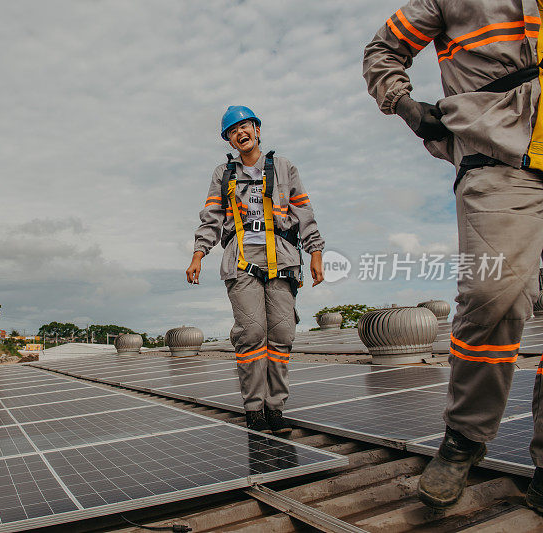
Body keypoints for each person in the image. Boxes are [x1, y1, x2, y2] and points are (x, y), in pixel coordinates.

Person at [363, 0, 543, 511]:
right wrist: (405, 105)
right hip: (498, 149)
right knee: (494, 295)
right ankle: (465, 435)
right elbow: (382, 49)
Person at [186, 106, 325, 435]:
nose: (240, 133)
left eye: (245, 126)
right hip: (241, 257)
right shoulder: (224, 173)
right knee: (251, 334)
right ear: (229, 140)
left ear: (257, 130)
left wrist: (315, 250)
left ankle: (275, 407)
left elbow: (303, 210)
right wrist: (198, 254)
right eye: (233, 131)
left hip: (282, 255)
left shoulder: (284, 167)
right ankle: (254, 409)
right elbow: (211, 217)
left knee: (281, 335)